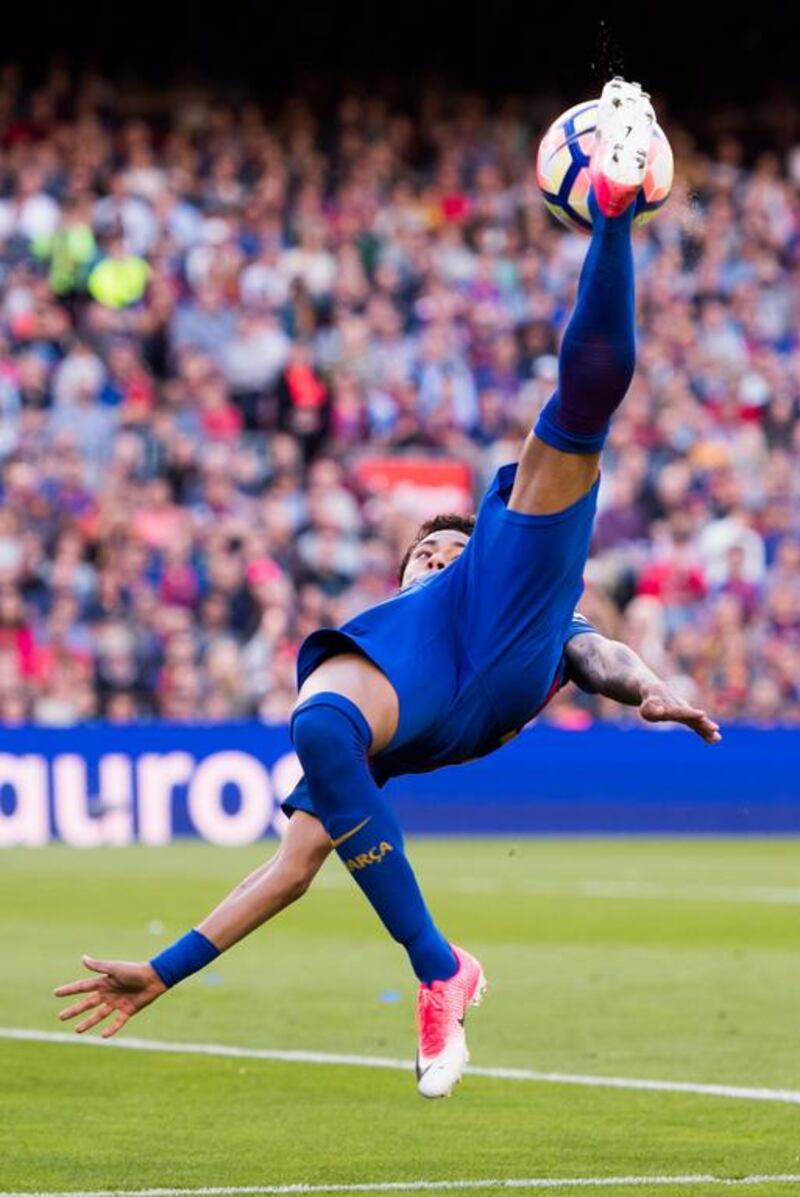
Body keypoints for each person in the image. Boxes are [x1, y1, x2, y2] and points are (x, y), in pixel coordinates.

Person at [54, 80, 721, 1099]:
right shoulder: (383, 642)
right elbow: (283, 870)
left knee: (577, 414)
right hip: (427, 690)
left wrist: (647, 688)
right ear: (399, 572)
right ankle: (441, 967)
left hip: (510, 620)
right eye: (421, 553)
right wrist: (165, 970)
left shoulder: (505, 568)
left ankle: (615, 216)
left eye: (443, 544)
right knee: (319, 732)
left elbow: (594, 652)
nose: (431, 554)